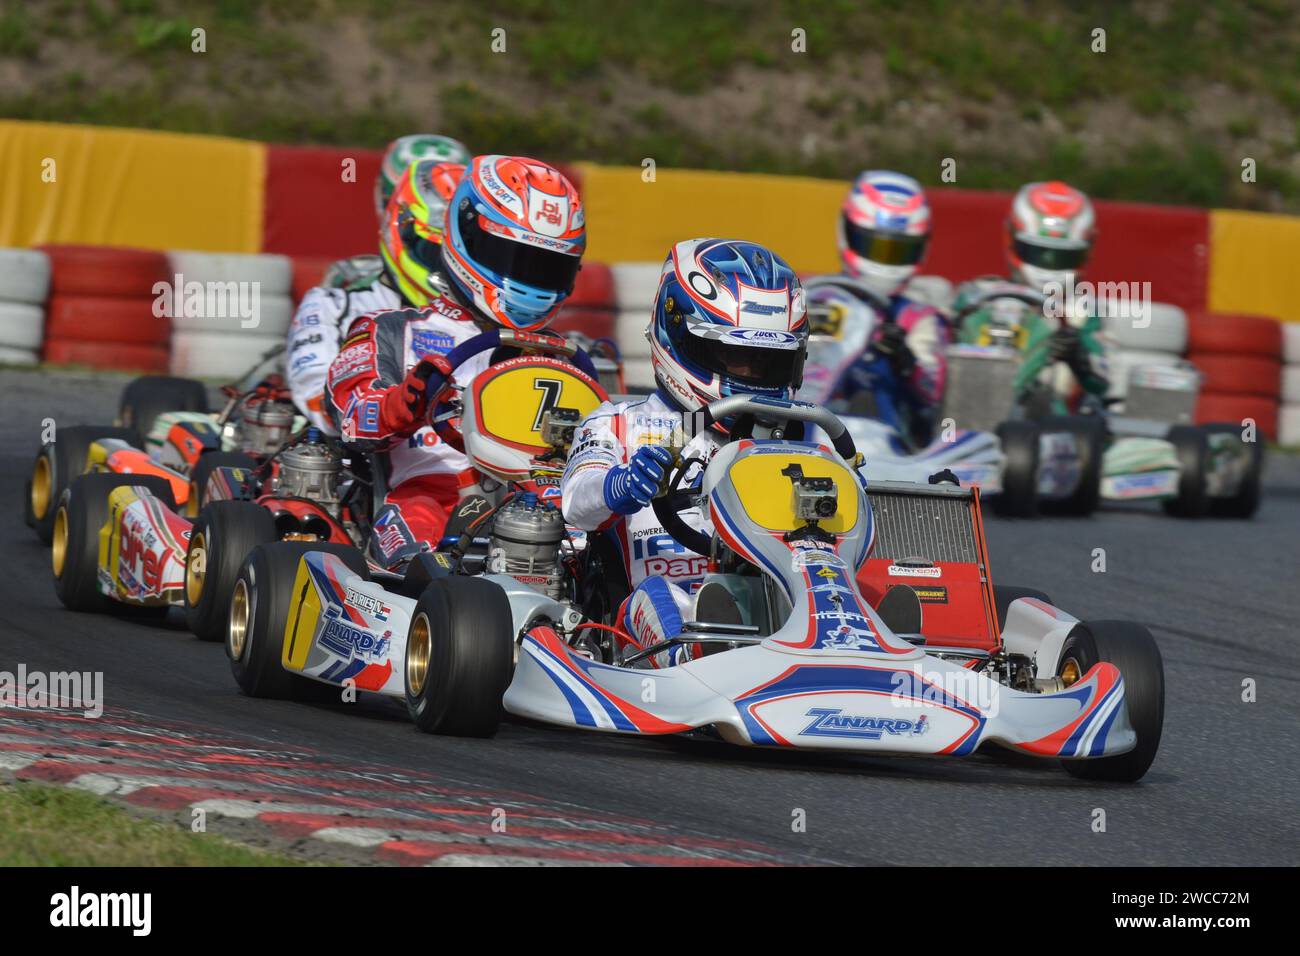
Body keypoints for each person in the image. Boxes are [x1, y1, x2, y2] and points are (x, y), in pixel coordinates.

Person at [327, 155, 586, 569]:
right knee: (425, 540)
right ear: (468, 237)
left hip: (545, 501)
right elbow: (350, 417)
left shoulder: (564, 354)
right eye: (514, 259)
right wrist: (402, 404)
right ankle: (439, 600)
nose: (530, 279)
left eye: (547, 267)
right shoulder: (393, 330)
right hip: (436, 491)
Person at [561, 238, 808, 667]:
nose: (751, 378)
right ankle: (694, 660)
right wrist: (619, 484)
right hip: (665, 604)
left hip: (783, 598)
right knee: (662, 598)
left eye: (768, 364)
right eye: (735, 358)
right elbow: (574, 505)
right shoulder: (618, 423)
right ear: (677, 337)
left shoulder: (808, 435)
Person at [286, 134, 471, 431]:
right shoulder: (338, 305)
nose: (450, 268)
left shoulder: (491, 322)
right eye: (437, 253)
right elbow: (319, 400)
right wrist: (392, 407)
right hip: (366, 463)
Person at [808, 170, 949, 443]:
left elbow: (932, 395)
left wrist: (903, 359)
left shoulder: (917, 318)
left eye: (897, 251)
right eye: (874, 246)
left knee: (866, 392)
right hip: (806, 412)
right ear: (848, 231)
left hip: (883, 432)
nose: (884, 262)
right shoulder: (810, 296)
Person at [952, 180, 1108, 408]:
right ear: (1012, 240)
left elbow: (1102, 383)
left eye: (1062, 257)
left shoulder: (1082, 312)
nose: (1048, 267)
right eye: (1038, 253)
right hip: (962, 410)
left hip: (1049, 426)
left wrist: (1077, 356)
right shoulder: (976, 297)